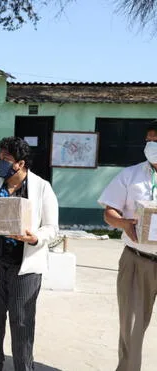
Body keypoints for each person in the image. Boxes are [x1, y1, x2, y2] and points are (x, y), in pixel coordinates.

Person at [0, 136, 58, 371]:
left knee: (22, 319)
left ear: (21, 163)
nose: (1, 161)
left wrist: (35, 237)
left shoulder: (42, 187)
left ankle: (23, 365)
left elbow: (52, 228)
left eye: (7, 158)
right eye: (0, 156)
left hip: (25, 266)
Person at [98, 124, 157, 371]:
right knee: (131, 328)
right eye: (149, 140)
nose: (151, 146)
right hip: (137, 259)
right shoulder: (130, 175)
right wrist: (123, 223)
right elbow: (109, 212)